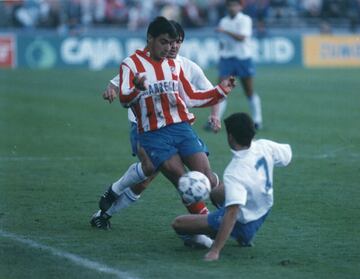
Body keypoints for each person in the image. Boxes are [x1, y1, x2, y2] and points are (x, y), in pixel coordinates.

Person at [90, 20, 221, 231]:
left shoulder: (184, 66)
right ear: (153, 39)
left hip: (177, 126)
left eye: (177, 42)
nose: (173, 46)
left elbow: (206, 93)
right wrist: (112, 90)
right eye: (168, 41)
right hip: (143, 126)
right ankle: (105, 210)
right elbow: (119, 83)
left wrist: (215, 115)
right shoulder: (137, 64)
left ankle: (208, 222)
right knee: (150, 175)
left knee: (193, 178)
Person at [172, 112, 292, 261]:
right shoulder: (265, 146)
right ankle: (242, 236)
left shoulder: (235, 171)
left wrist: (215, 250)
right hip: (264, 208)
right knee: (215, 192)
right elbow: (287, 156)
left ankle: (215, 239)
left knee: (178, 223)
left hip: (244, 221)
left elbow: (232, 213)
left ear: (230, 137)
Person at [205, 0, 263, 132]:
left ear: (240, 6)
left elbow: (242, 37)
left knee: (248, 90)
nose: (232, 8)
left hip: (243, 58)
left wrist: (224, 31)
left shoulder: (245, 19)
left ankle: (258, 120)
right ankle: (214, 119)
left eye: (234, 5)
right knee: (221, 91)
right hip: (227, 59)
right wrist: (220, 56)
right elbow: (222, 42)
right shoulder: (224, 21)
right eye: (230, 5)